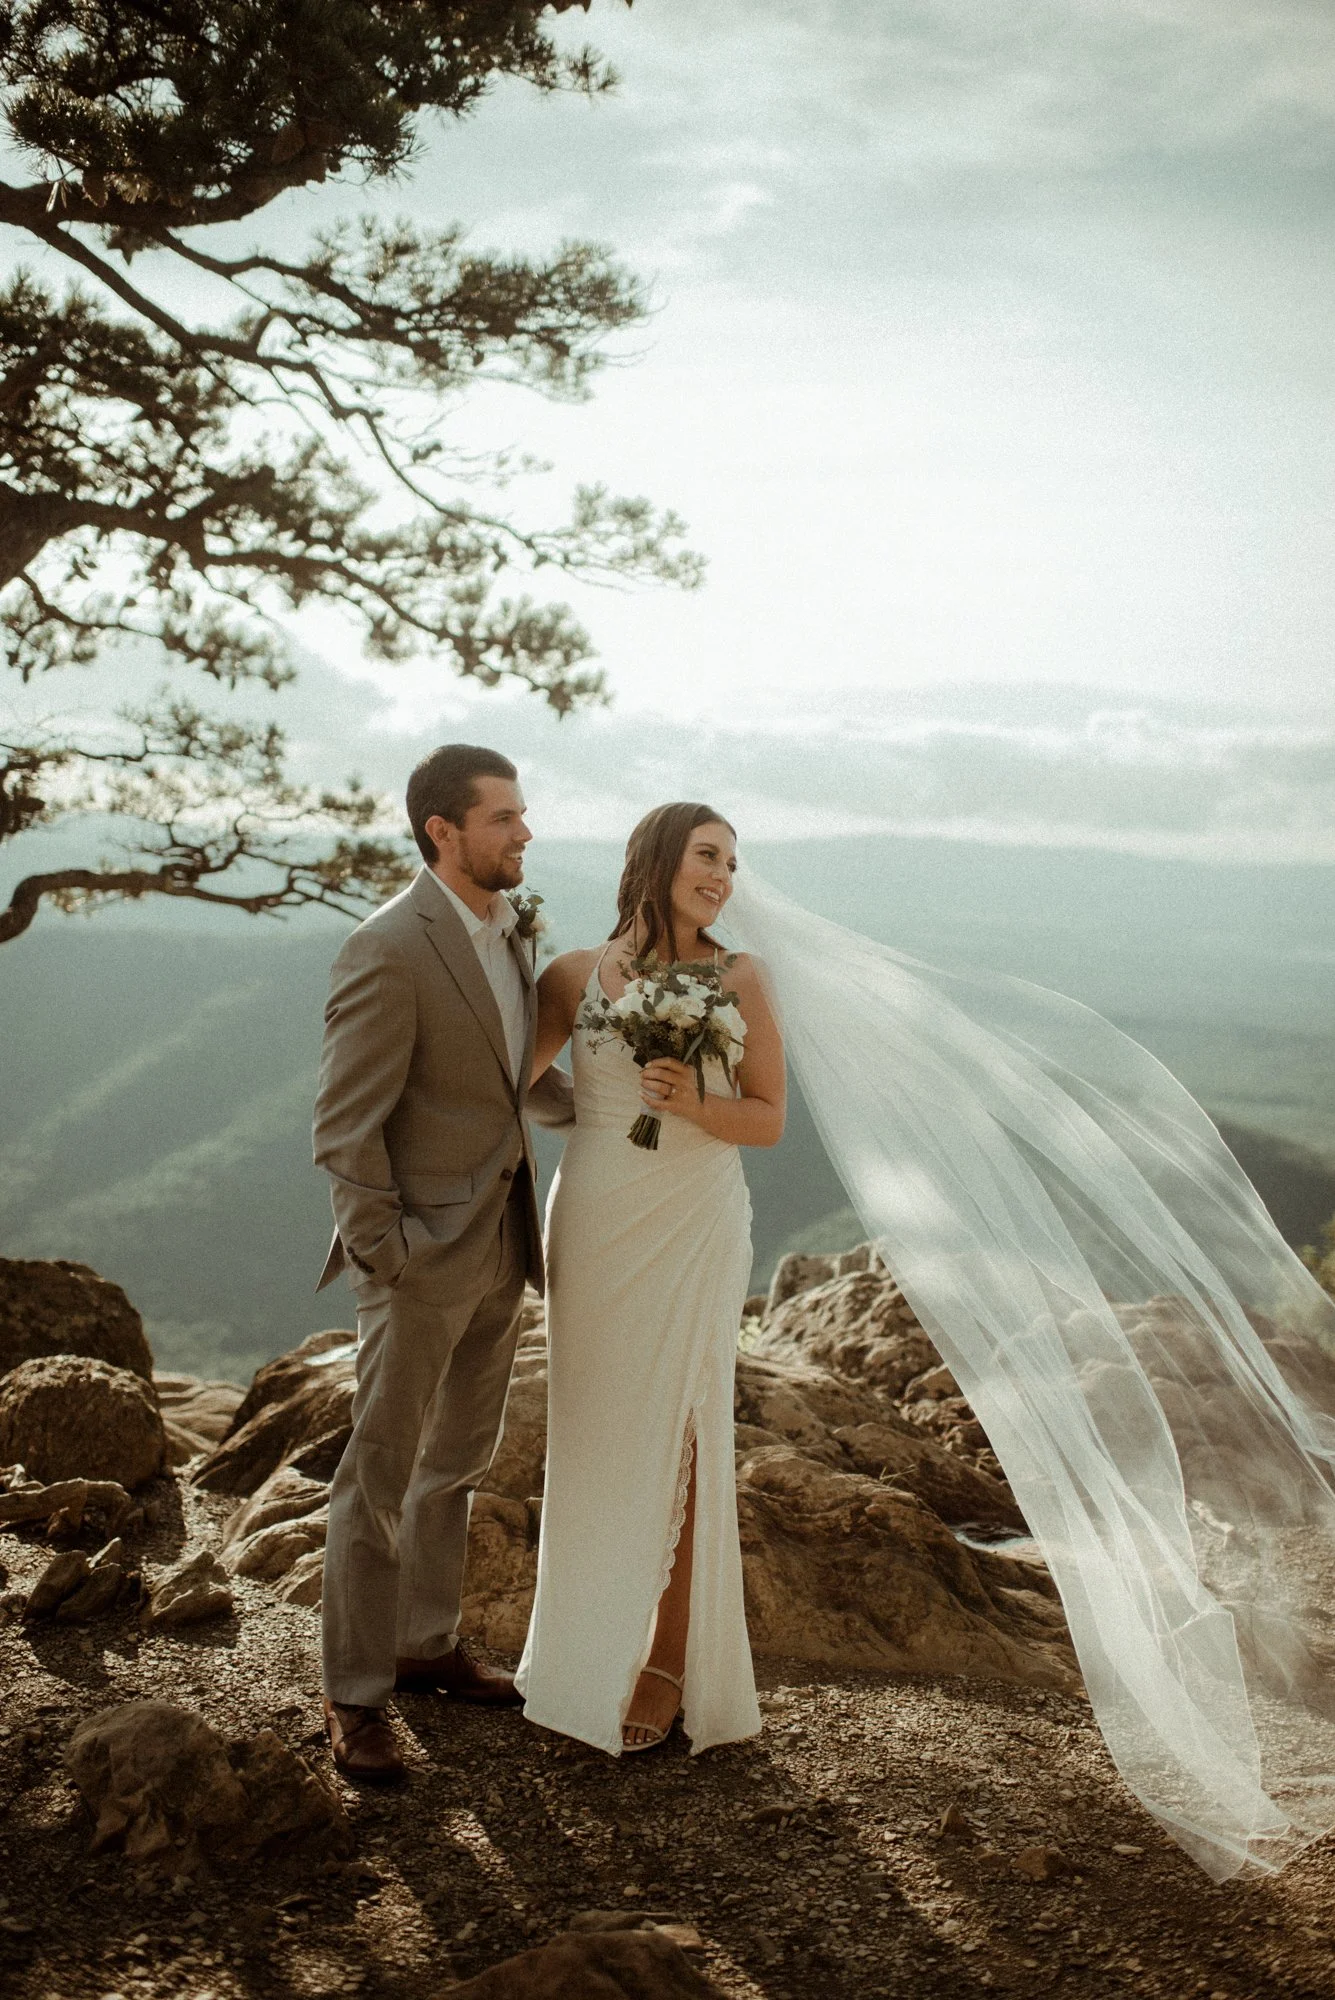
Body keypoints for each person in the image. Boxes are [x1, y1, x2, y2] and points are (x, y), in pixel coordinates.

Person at [312, 743, 573, 1782]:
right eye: (504, 816)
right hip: (419, 1257)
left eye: (522, 812)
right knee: (377, 1471)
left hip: (505, 1243)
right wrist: (391, 1254)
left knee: (457, 1461)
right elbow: (345, 1126)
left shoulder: (511, 935)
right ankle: (353, 1693)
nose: (524, 831)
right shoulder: (388, 947)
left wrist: (645, 1104)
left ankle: (424, 1642)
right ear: (443, 832)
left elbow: (525, 1084)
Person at [516, 803, 785, 1755]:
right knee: (589, 1428)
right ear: (659, 858)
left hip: (696, 1214)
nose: (722, 875)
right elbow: (517, 1082)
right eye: (707, 856)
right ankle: (578, 1659)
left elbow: (768, 1119)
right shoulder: (570, 976)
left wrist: (697, 1099)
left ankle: (670, 1662)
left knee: (688, 1426)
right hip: (593, 1214)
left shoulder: (739, 976)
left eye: (731, 863)